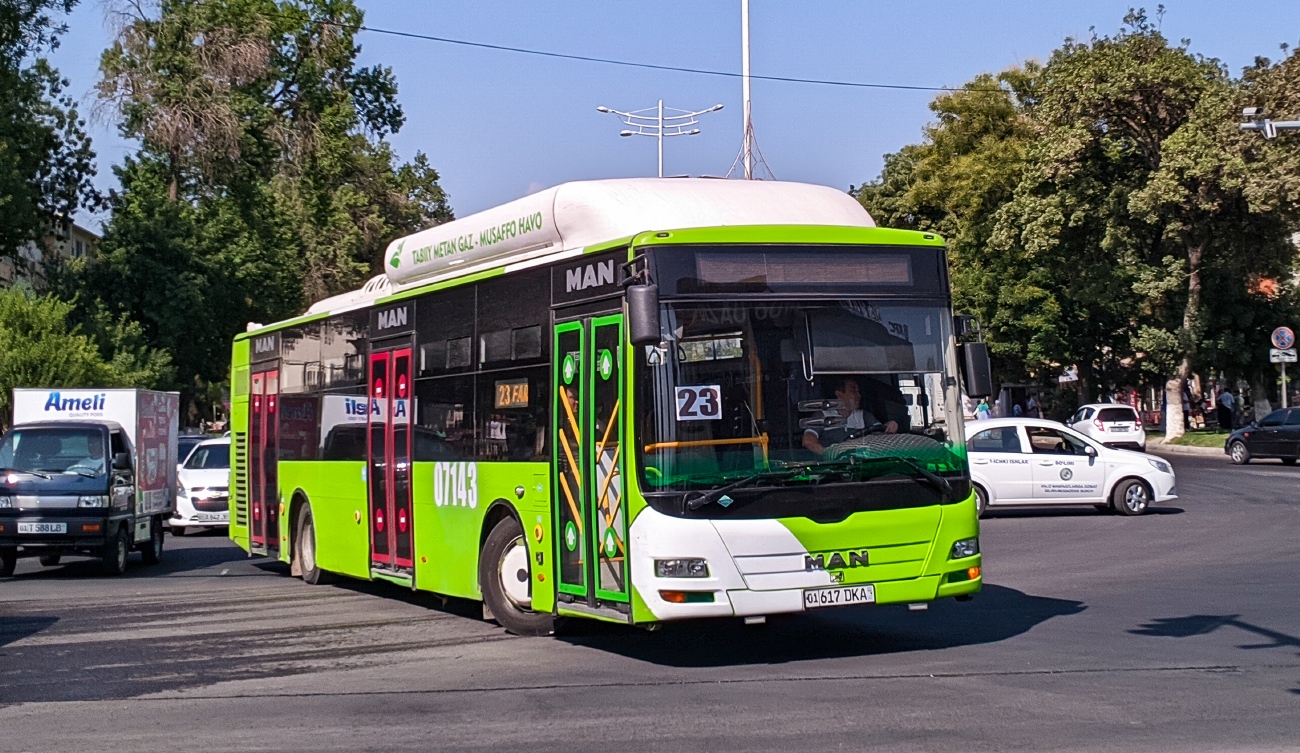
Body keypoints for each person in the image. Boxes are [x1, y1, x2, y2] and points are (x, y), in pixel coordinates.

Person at [802, 377, 897, 455]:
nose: (858, 395)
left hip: (859, 465)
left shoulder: (864, 416)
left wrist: (889, 425)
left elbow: (880, 436)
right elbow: (808, 441)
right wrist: (829, 454)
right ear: (839, 394)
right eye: (853, 390)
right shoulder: (822, 416)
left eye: (858, 391)